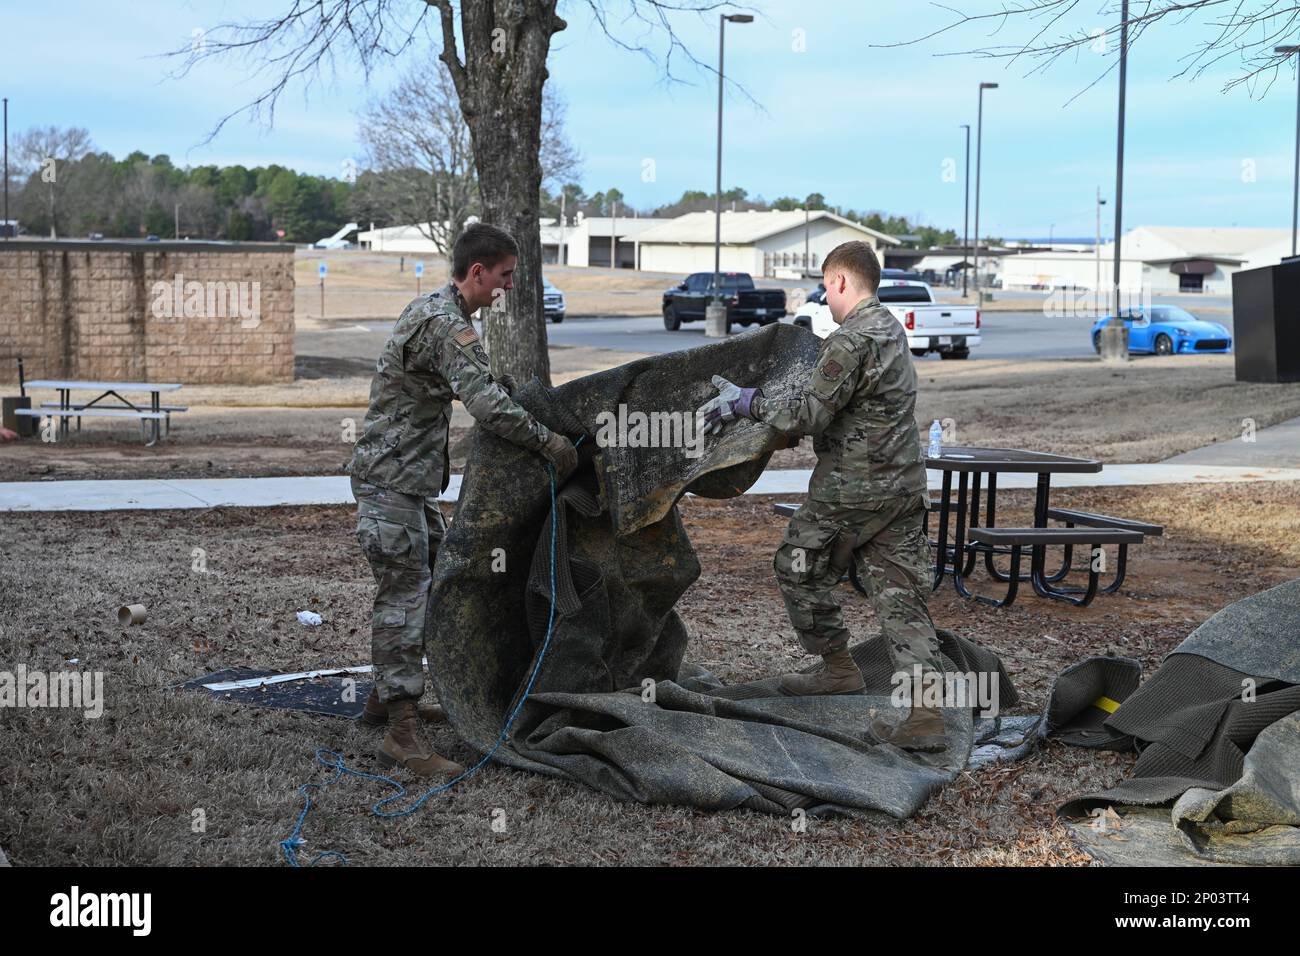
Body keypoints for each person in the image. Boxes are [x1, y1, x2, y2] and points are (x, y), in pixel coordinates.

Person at [697, 240, 946, 751]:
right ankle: (924, 715)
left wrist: (745, 402)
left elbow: (811, 414)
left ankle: (836, 667)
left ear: (840, 283)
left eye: (825, 288)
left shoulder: (852, 339)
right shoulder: (892, 330)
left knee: (796, 564)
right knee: (898, 594)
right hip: (901, 487)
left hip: (853, 488)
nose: (825, 299)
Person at [348, 223, 578, 776]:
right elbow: (490, 406)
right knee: (405, 601)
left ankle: (385, 701)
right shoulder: (446, 326)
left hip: (405, 483)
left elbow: (488, 386)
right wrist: (551, 445)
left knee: (431, 583)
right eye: (503, 278)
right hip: (393, 485)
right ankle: (401, 736)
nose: (507, 289)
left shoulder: (437, 312)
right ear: (476, 273)